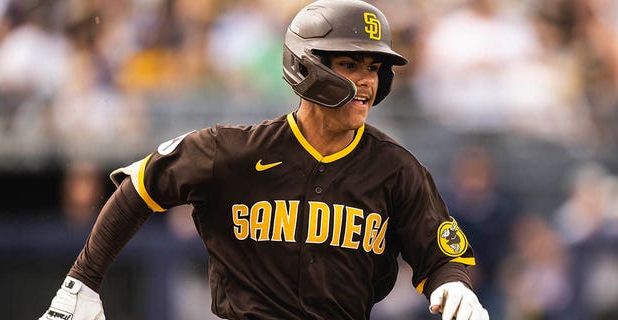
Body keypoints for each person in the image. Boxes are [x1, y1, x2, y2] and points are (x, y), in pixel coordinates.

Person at [39, 1, 489, 319]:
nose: (367, 81)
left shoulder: (396, 169)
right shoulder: (232, 151)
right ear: (308, 65)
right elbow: (141, 185)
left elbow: (442, 254)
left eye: (374, 67)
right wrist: (83, 280)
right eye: (351, 64)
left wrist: (453, 283)